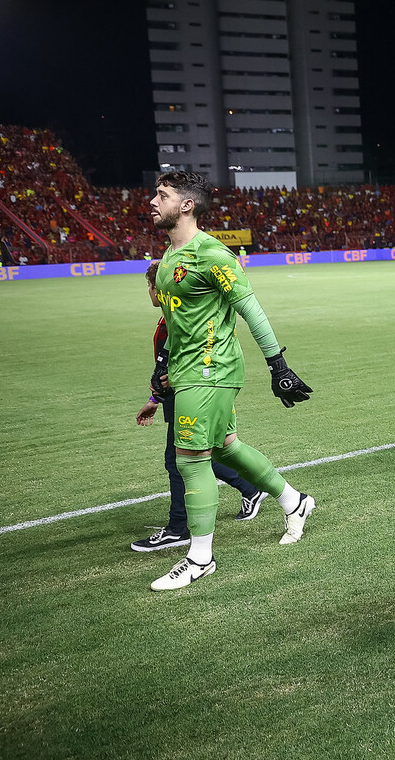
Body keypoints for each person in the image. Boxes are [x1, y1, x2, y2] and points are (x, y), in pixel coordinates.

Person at [146, 170, 315, 591]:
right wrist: (162, 369)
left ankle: (200, 558)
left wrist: (279, 367)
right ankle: (295, 503)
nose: (152, 200)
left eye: (162, 195)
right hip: (187, 372)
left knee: (190, 459)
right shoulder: (169, 256)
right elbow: (174, 321)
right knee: (226, 447)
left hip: (211, 370)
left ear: (186, 205)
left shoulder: (212, 254)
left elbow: (250, 309)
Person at [131, 262, 265, 554]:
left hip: (189, 392)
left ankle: (178, 527)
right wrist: (155, 399)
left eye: (151, 287)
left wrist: (162, 393)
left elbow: (175, 364)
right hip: (186, 390)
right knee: (202, 451)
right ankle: (250, 489)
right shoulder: (173, 317)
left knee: (179, 458)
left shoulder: (176, 320)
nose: (150, 293)